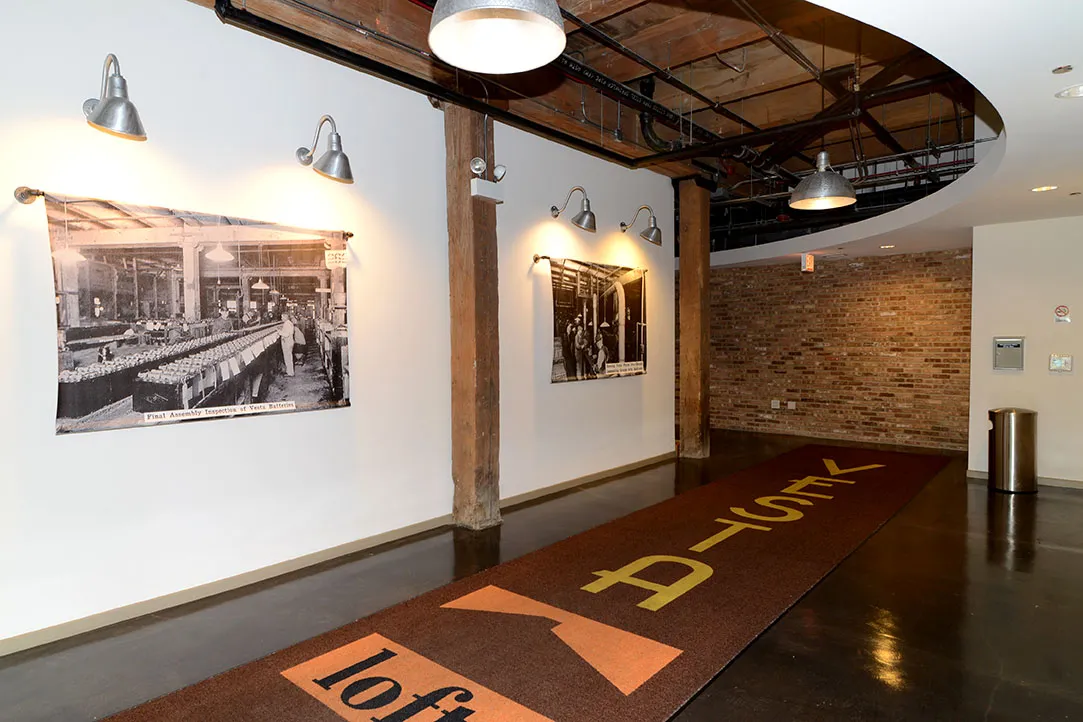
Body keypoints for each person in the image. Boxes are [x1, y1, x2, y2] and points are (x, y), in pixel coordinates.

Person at [280, 313, 296, 377]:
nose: (281, 318)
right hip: (288, 342)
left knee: (288, 358)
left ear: (285, 317)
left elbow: (286, 334)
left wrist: (279, 332)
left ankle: (290, 373)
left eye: (282, 317)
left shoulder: (287, 324)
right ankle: (289, 371)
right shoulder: (288, 323)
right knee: (288, 357)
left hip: (287, 342)